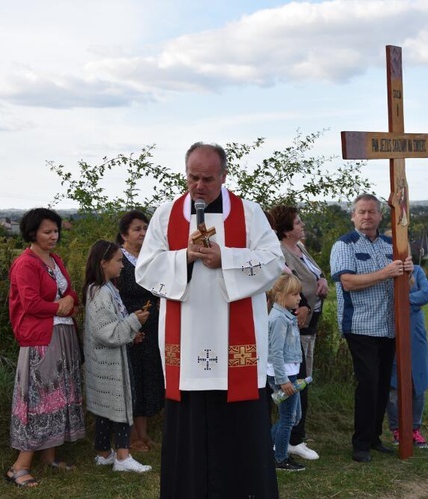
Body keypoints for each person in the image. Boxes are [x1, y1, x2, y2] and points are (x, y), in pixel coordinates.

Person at [135, 142, 284, 498]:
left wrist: (226, 259)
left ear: (224, 176)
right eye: (192, 177)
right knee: (189, 431)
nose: (199, 186)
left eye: (207, 178)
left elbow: (273, 262)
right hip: (185, 343)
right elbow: (146, 269)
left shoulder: (249, 214)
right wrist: (184, 256)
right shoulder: (166, 215)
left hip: (237, 344)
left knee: (239, 434)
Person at [329, 193, 413, 463]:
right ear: (353, 215)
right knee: (368, 383)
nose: (367, 216)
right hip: (361, 325)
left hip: (389, 326)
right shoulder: (344, 245)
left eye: (372, 212)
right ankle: (360, 443)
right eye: (361, 212)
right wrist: (385, 273)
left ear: (379, 216)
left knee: (381, 385)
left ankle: (375, 437)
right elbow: (348, 282)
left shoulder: (393, 244)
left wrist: (407, 272)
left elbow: (406, 285)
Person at [6, 208, 85, 487]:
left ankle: (49, 456)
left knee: (60, 394)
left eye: (56, 231)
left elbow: (71, 292)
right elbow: (29, 304)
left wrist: (69, 301)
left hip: (62, 335)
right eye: (47, 232)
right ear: (32, 233)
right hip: (40, 338)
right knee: (39, 397)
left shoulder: (55, 260)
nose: (54, 236)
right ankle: (19, 466)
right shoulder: (25, 263)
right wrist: (60, 306)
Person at [82, 240, 152, 473]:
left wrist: (132, 333)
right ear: (103, 264)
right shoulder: (101, 293)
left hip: (107, 360)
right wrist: (134, 321)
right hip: (109, 363)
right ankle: (122, 457)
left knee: (106, 407)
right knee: (122, 402)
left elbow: (111, 326)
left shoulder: (105, 289)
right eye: (119, 261)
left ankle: (104, 453)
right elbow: (107, 332)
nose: (123, 266)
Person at [269, 205, 327, 461]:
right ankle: (291, 439)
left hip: (310, 321)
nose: (302, 225)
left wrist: (323, 279)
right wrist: (302, 305)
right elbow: (284, 286)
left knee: (303, 377)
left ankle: (293, 435)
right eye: (298, 222)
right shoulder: (279, 252)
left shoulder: (300, 247)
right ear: (285, 229)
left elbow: (315, 273)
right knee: (296, 379)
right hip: (295, 322)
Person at [115, 210, 163, 452]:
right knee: (132, 381)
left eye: (145, 228)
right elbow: (116, 298)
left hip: (152, 327)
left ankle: (144, 434)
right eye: (137, 229)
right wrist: (129, 330)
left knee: (148, 379)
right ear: (124, 234)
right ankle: (131, 437)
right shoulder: (118, 260)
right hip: (130, 329)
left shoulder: (149, 257)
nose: (143, 233)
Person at [386, 263, 428, 449]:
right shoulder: (386, 271)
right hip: (391, 327)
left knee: (418, 382)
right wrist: (410, 299)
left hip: (415, 331)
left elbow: (426, 294)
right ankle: (397, 428)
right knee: (394, 382)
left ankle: (414, 429)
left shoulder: (417, 271)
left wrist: (403, 298)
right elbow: (388, 299)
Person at [267, 273, 306, 471]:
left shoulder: (286, 316)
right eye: (295, 294)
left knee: (294, 416)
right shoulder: (279, 319)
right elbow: (275, 352)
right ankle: (280, 459)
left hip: (289, 373)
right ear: (282, 296)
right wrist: (283, 380)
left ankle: (265, 447)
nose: (299, 298)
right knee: (288, 418)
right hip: (282, 376)